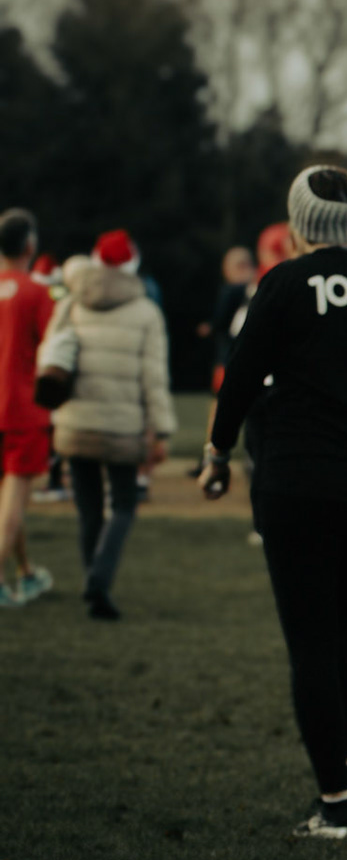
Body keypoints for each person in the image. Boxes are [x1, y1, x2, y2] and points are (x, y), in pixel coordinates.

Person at [198, 166, 347, 840]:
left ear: (300, 221)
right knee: (338, 629)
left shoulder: (281, 284)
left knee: (311, 639)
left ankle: (335, 799)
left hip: (300, 483)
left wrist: (218, 455)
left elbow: (241, 378)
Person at [50, 231, 173, 621]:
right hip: (123, 426)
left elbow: (51, 354)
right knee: (123, 505)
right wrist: (162, 429)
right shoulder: (145, 311)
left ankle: (92, 579)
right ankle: (99, 582)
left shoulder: (71, 302)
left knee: (88, 510)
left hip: (75, 421)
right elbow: (153, 377)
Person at [0, 208, 55, 607]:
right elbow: (52, 349)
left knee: (7, 503)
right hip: (22, 409)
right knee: (15, 501)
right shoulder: (36, 293)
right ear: (30, 246)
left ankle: (25, 573)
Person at [198, 245, 256, 391]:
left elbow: (221, 320)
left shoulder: (231, 291)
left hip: (228, 358)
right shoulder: (263, 287)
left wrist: (211, 327)